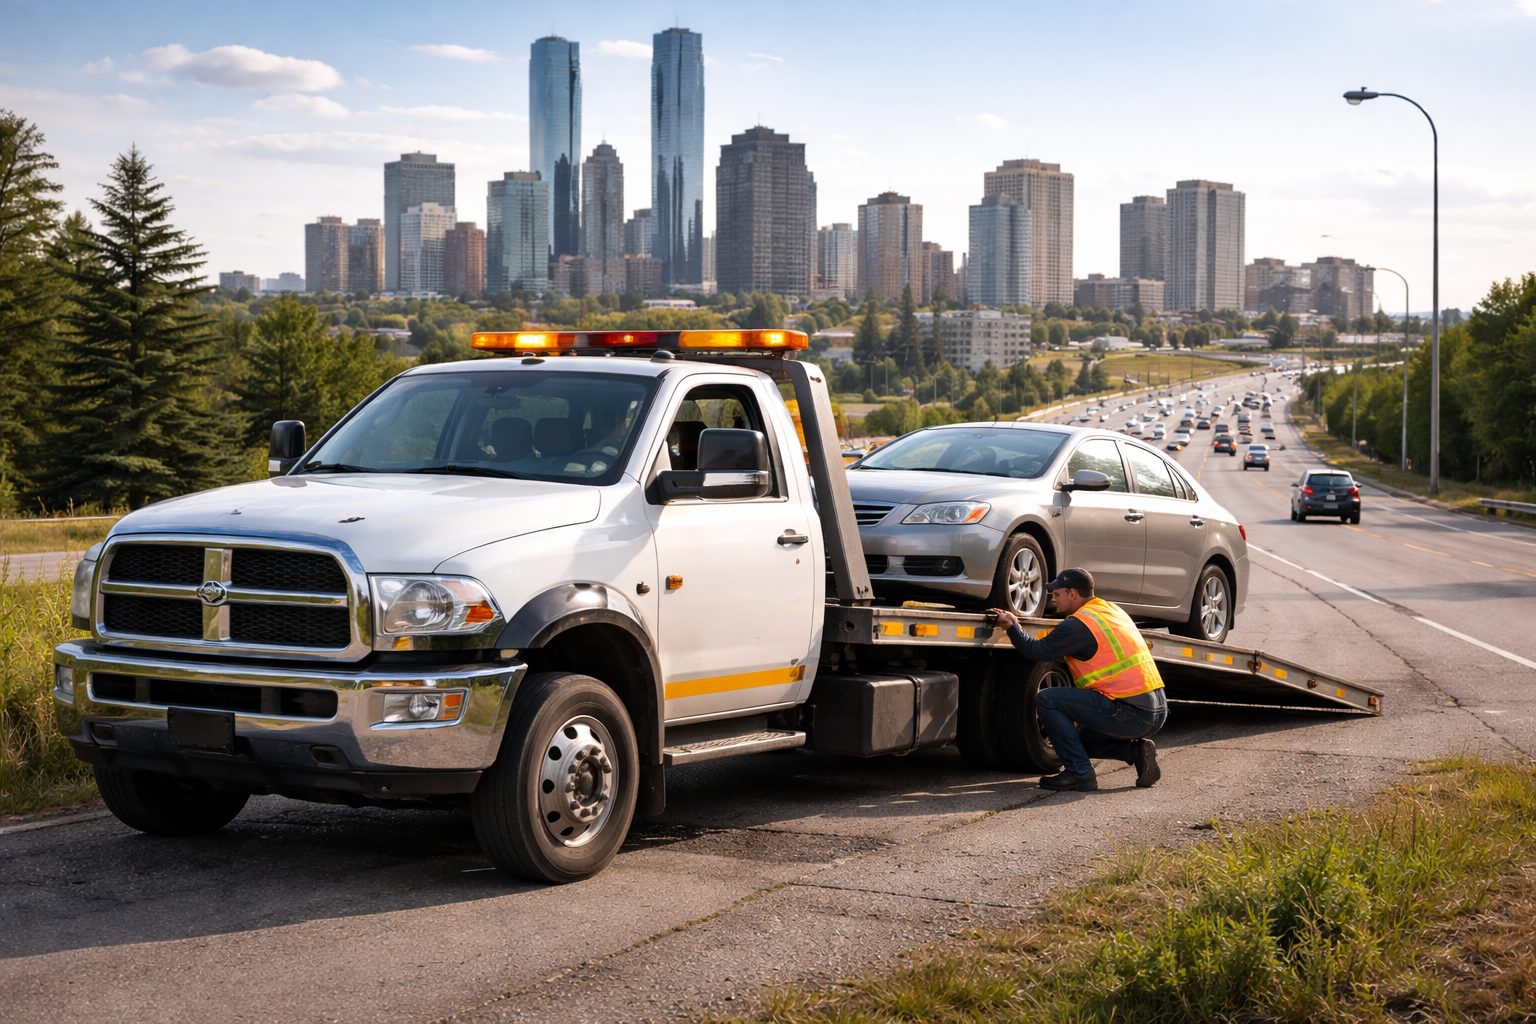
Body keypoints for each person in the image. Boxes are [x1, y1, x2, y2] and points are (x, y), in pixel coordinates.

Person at [989, 568, 1166, 792]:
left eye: (1057, 593)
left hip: (1130, 711)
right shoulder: (1110, 610)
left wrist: (1012, 625)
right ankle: (1135, 753)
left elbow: (1035, 651)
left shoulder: (1079, 624)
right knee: (1077, 742)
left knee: (1047, 699)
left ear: (1073, 593)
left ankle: (1079, 772)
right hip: (1156, 710)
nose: (1053, 598)